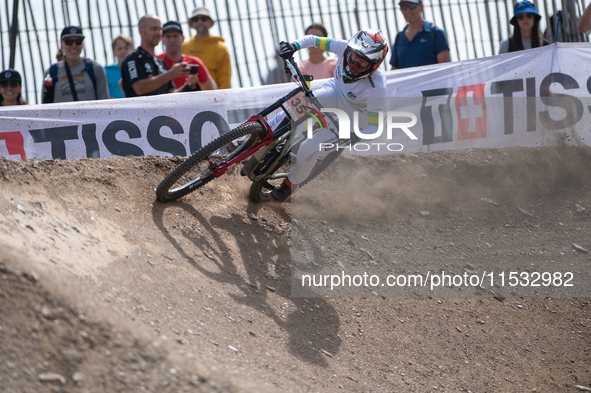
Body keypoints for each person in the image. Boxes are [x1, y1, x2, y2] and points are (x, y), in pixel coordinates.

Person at [268, 30, 388, 203]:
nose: (353, 66)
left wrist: (357, 137)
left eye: (360, 65)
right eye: (352, 58)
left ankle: (290, 184)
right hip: (336, 91)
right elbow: (314, 40)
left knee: (308, 149)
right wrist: (293, 46)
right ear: (349, 50)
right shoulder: (344, 47)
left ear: (374, 65)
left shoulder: (376, 87)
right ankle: (261, 134)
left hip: (354, 121)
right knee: (297, 106)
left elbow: (374, 128)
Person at [121, 15, 191, 97]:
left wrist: (188, 86)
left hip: (162, 110)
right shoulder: (133, 58)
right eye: (154, 29)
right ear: (141, 32)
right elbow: (139, 88)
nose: (158, 33)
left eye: (160, 29)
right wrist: (170, 74)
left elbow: (171, 94)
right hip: (141, 110)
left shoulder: (160, 62)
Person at [41, 26, 109, 103]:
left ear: (83, 44)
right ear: (61, 45)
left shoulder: (96, 69)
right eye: (68, 42)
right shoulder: (50, 73)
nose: (74, 45)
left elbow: (104, 103)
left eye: (78, 42)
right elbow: (45, 107)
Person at [157, 20, 217, 92]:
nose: (172, 40)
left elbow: (213, 90)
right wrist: (187, 87)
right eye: (168, 36)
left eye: (175, 36)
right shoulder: (157, 62)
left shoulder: (195, 62)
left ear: (183, 39)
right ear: (162, 40)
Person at [390, 0, 450, 70]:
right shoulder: (399, 37)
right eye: (404, 7)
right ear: (400, 9)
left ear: (421, 7)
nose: (408, 11)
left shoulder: (436, 33)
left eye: (412, 6)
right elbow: (394, 69)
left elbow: (444, 68)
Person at [182, 7, 232, 89]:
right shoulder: (184, 46)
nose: (199, 21)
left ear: (210, 22)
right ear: (192, 23)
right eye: (196, 19)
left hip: (211, 99)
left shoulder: (220, 48)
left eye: (203, 19)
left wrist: (222, 100)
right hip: (186, 98)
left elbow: (225, 81)